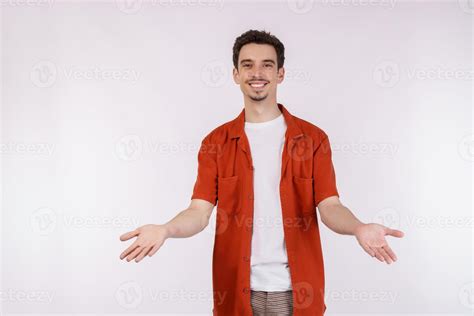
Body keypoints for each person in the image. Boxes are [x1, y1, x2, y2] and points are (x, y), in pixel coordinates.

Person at [119, 29, 405, 316]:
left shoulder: (313, 139)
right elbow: (199, 211)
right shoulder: (215, 143)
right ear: (235, 74)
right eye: (248, 65)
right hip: (236, 294)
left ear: (280, 74)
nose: (257, 73)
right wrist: (166, 230)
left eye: (267, 64)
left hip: (298, 295)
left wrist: (358, 227)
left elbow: (330, 206)